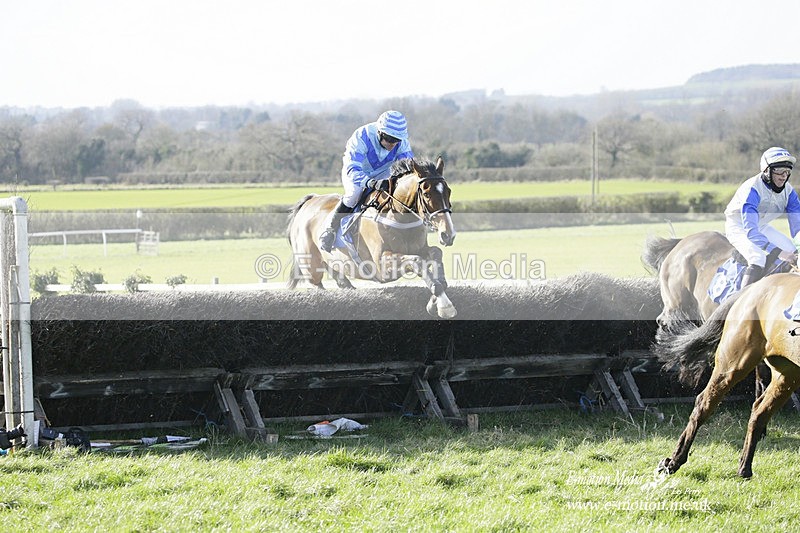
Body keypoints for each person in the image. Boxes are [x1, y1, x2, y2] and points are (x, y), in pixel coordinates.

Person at [319, 110, 414, 253]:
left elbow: (408, 168)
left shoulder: (402, 142)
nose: (392, 144)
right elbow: (353, 169)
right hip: (357, 172)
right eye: (389, 139)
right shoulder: (361, 136)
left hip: (384, 172)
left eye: (396, 140)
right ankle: (330, 230)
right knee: (354, 194)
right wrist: (371, 183)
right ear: (380, 132)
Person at [724, 146, 800, 287]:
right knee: (757, 258)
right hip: (739, 227)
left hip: (761, 226)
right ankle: (740, 299)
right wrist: (778, 252)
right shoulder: (752, 189)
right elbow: (751, 231)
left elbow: (797, 228)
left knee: (794, 252)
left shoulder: (789, 192)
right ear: (766, 170)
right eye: (779, 170)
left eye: (787, 171)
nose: (784, 175)